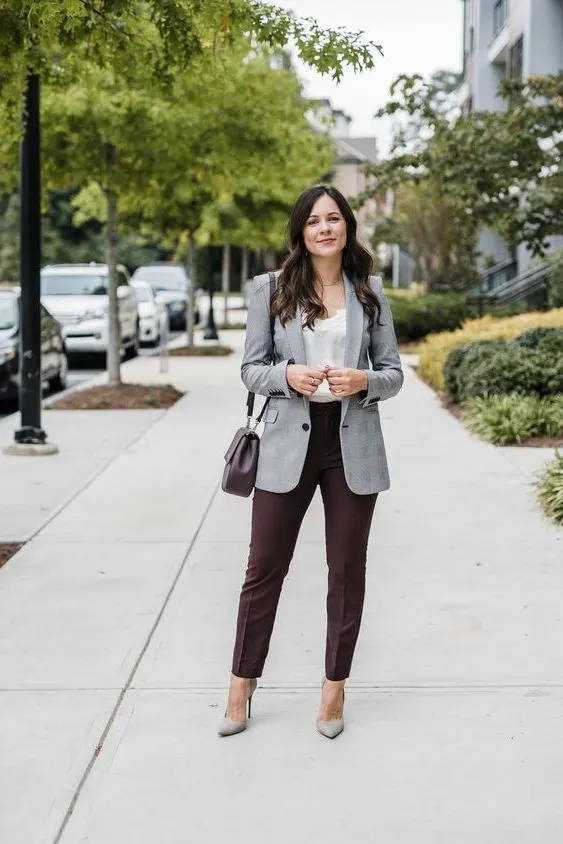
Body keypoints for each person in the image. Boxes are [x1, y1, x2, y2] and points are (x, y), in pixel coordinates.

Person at [218, 184, 404, 739]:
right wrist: (287, 376)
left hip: (352, 443)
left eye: (334, 219)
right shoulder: (270, 289)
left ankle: (333, 692)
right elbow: (252, 369)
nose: (325, 228)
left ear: (347, 226)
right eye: (314, 221)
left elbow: (393, 372)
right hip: (285, 441)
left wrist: (365, 380)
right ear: (301, 231)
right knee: (263, 569)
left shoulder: (369, 292)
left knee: (347, 571)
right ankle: (241, 684)